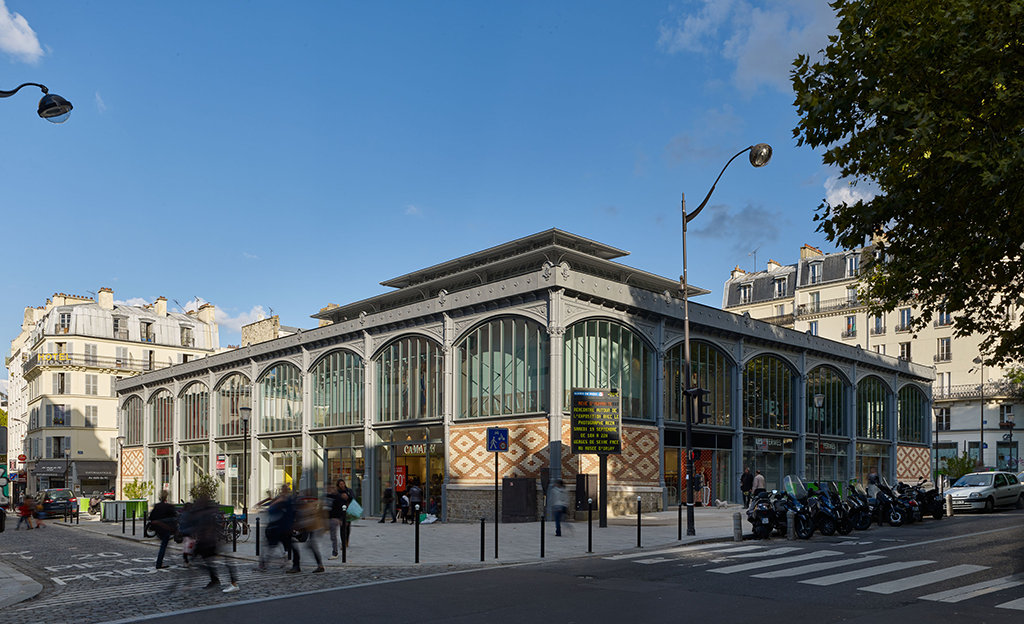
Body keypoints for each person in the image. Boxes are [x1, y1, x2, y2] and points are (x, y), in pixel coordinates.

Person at [192, 495, 239, 593]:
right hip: (210, 541)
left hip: (208, 541)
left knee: (216, 561)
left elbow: (207, 527)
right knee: (211, 561)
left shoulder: (205, 513)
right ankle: (218, 580)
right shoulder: (207, 512)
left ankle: (231, 582)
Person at [257, 485, 295, 572]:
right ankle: (265, 563)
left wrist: (290, 526)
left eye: (284, 490)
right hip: (274, 526)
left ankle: (264, 564)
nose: (282, 491)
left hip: (279, 527)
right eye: (282, 490)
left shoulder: (286, 501)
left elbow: (289, 514)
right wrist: (267, 500)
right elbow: (266, 505)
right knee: (272, 546)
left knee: (274, 546)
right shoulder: (281, 499)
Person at [290, 489, 325, 573]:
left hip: (313, 527)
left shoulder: (309, 506)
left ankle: (319, 565)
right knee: (311, 545)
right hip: (311, 527)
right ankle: (319, 565)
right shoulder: (310, 505)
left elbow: (309, 518)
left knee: (311, 545)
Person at [150, 490, 178, 569]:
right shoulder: (168, 506)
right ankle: (159, 563)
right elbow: (174, 514)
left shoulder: (157, 506)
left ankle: (159, 562)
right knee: (163, 546)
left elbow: (151, 517)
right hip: (165, 528)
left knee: (163, 545)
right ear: (166, 497)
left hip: (158, 529)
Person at [325, 484, 345, 560]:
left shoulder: (338, 497)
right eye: (328, 488)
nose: (330, 489)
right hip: (325, 518)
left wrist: (340, 519)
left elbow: (341, 508)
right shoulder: (326, 496)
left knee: (333, 536)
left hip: (333, 518)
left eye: (332, 488)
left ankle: (335, 552)